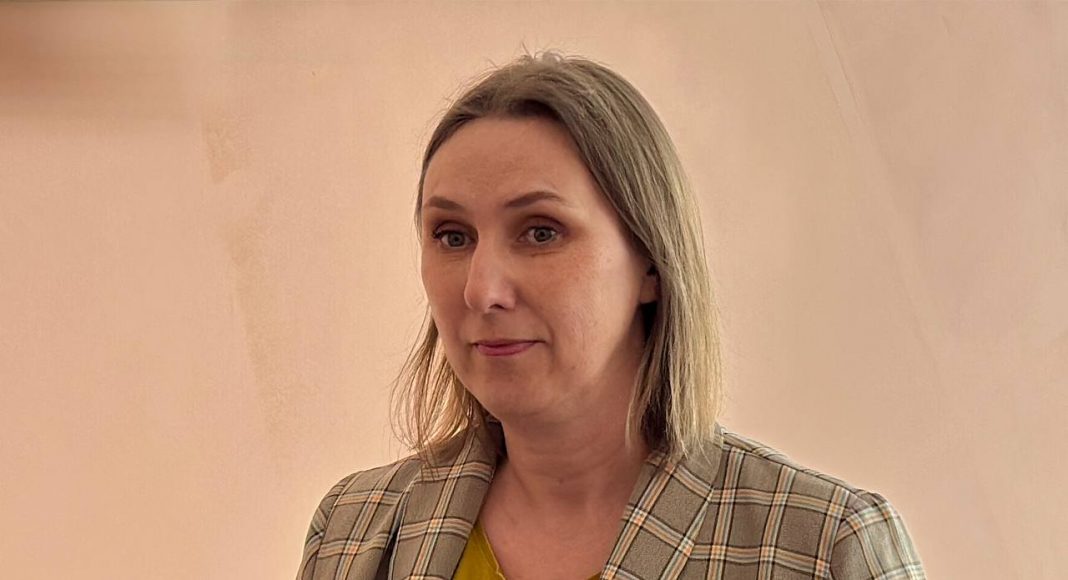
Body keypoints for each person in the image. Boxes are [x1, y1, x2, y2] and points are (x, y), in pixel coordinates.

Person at [295, 51, 925, 580]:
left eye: (541, 232)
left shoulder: (824, 548)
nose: (482, 290)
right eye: (452, 236)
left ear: (650, 262)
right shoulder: (351, 532)